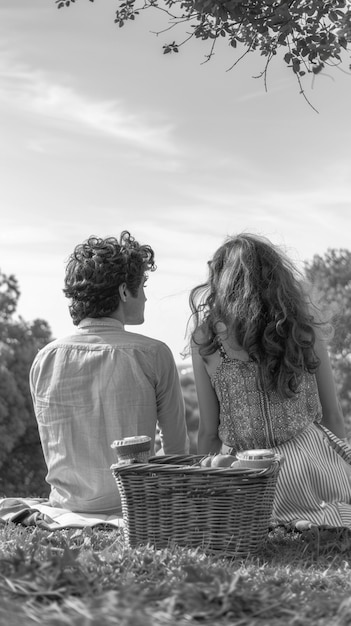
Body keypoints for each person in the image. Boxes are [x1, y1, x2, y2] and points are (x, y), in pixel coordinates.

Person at [189, 232, 351, 529]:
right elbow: (333, 419)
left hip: (253, 480)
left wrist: (209, 489)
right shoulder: (302, 330)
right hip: (314, 469)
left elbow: (209, 435)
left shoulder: (206, 340)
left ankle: (283, 520)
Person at [30, 231, 189, 515]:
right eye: (142, 286)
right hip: (137, 507)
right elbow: (176, 454)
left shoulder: (45, 358)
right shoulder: (154, 354)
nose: (146, 298)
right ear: (124, 291)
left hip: (66, 509)